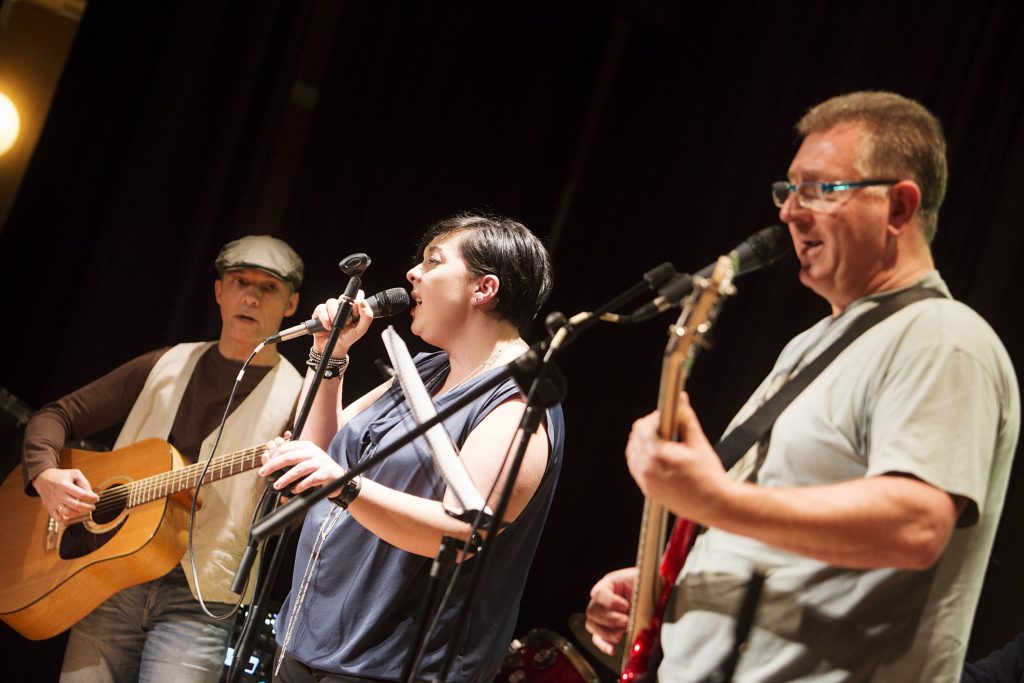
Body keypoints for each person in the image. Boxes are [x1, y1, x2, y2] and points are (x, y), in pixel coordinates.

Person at [585, 91, 1020, 681]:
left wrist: (714, 500)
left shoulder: (942, 337)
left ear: (899, 206)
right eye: (787, 190)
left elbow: (915, 524)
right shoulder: (812, 343)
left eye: (820, 189)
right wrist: (683, 584)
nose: (789, 212)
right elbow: (781, 532)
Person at [258, 213, 564, 683]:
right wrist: (330, 353)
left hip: (394, 665)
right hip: (308, 639)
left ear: (483, 289)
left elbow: (462, 534)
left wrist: (343, 486)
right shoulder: (424, 368)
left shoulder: (518, 399)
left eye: (433, 262)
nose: (412, 274)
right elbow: (322, 450)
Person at [21, 235, 306, 682]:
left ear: (291, 304)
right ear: (218, 292)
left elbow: (299, 510)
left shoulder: (302, 398)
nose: (250, 296)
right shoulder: (165, 363)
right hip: (110, 574)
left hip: (200, 598)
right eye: (239, 281)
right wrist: (45, 473)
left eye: (268, 287)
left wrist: (289, 493)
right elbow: (56, 416)